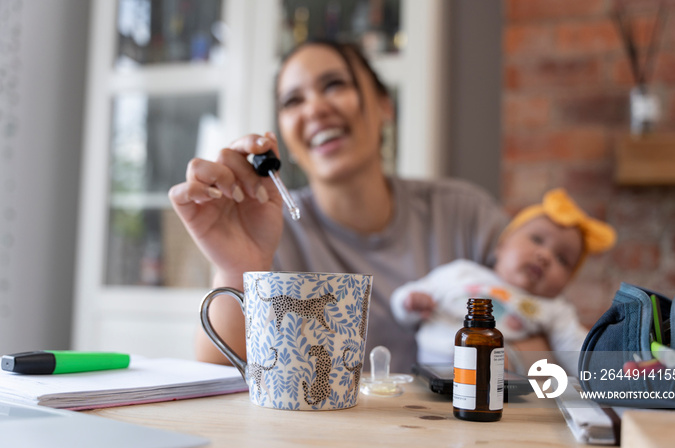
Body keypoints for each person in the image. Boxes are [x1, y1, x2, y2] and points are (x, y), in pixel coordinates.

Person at [168, 40, 508, 373]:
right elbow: (224, 387)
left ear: (384, 105)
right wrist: (238, 269)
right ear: (285, 138)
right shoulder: (268, 231)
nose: (314, 109)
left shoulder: (466, 217)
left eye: (334, 85)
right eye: (292, 100)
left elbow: (548, 331)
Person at [390, 188, 617, 375]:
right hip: (432, 370)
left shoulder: (555, 310)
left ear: (568, 281)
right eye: (536, 239)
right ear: (502, 245)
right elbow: (404, 302)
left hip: (495, 385)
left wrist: (608, 372)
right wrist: (410, 302)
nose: (545, 256)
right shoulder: (461, 272)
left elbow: (578, 351)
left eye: (562, 259)